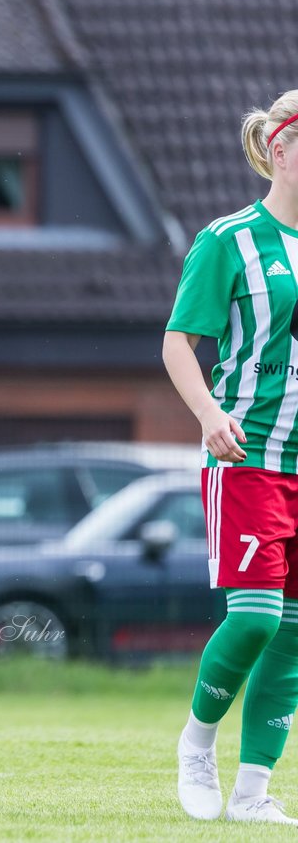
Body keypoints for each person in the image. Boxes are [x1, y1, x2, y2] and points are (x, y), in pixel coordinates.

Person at [165, 88, 298, 825]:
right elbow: (178, 341)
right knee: (254, 619)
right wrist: (210, 414)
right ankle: (197, 740)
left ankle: (253, 793)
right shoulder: (229, 239)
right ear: (278, 150)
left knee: (295, 633)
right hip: (250, 457)